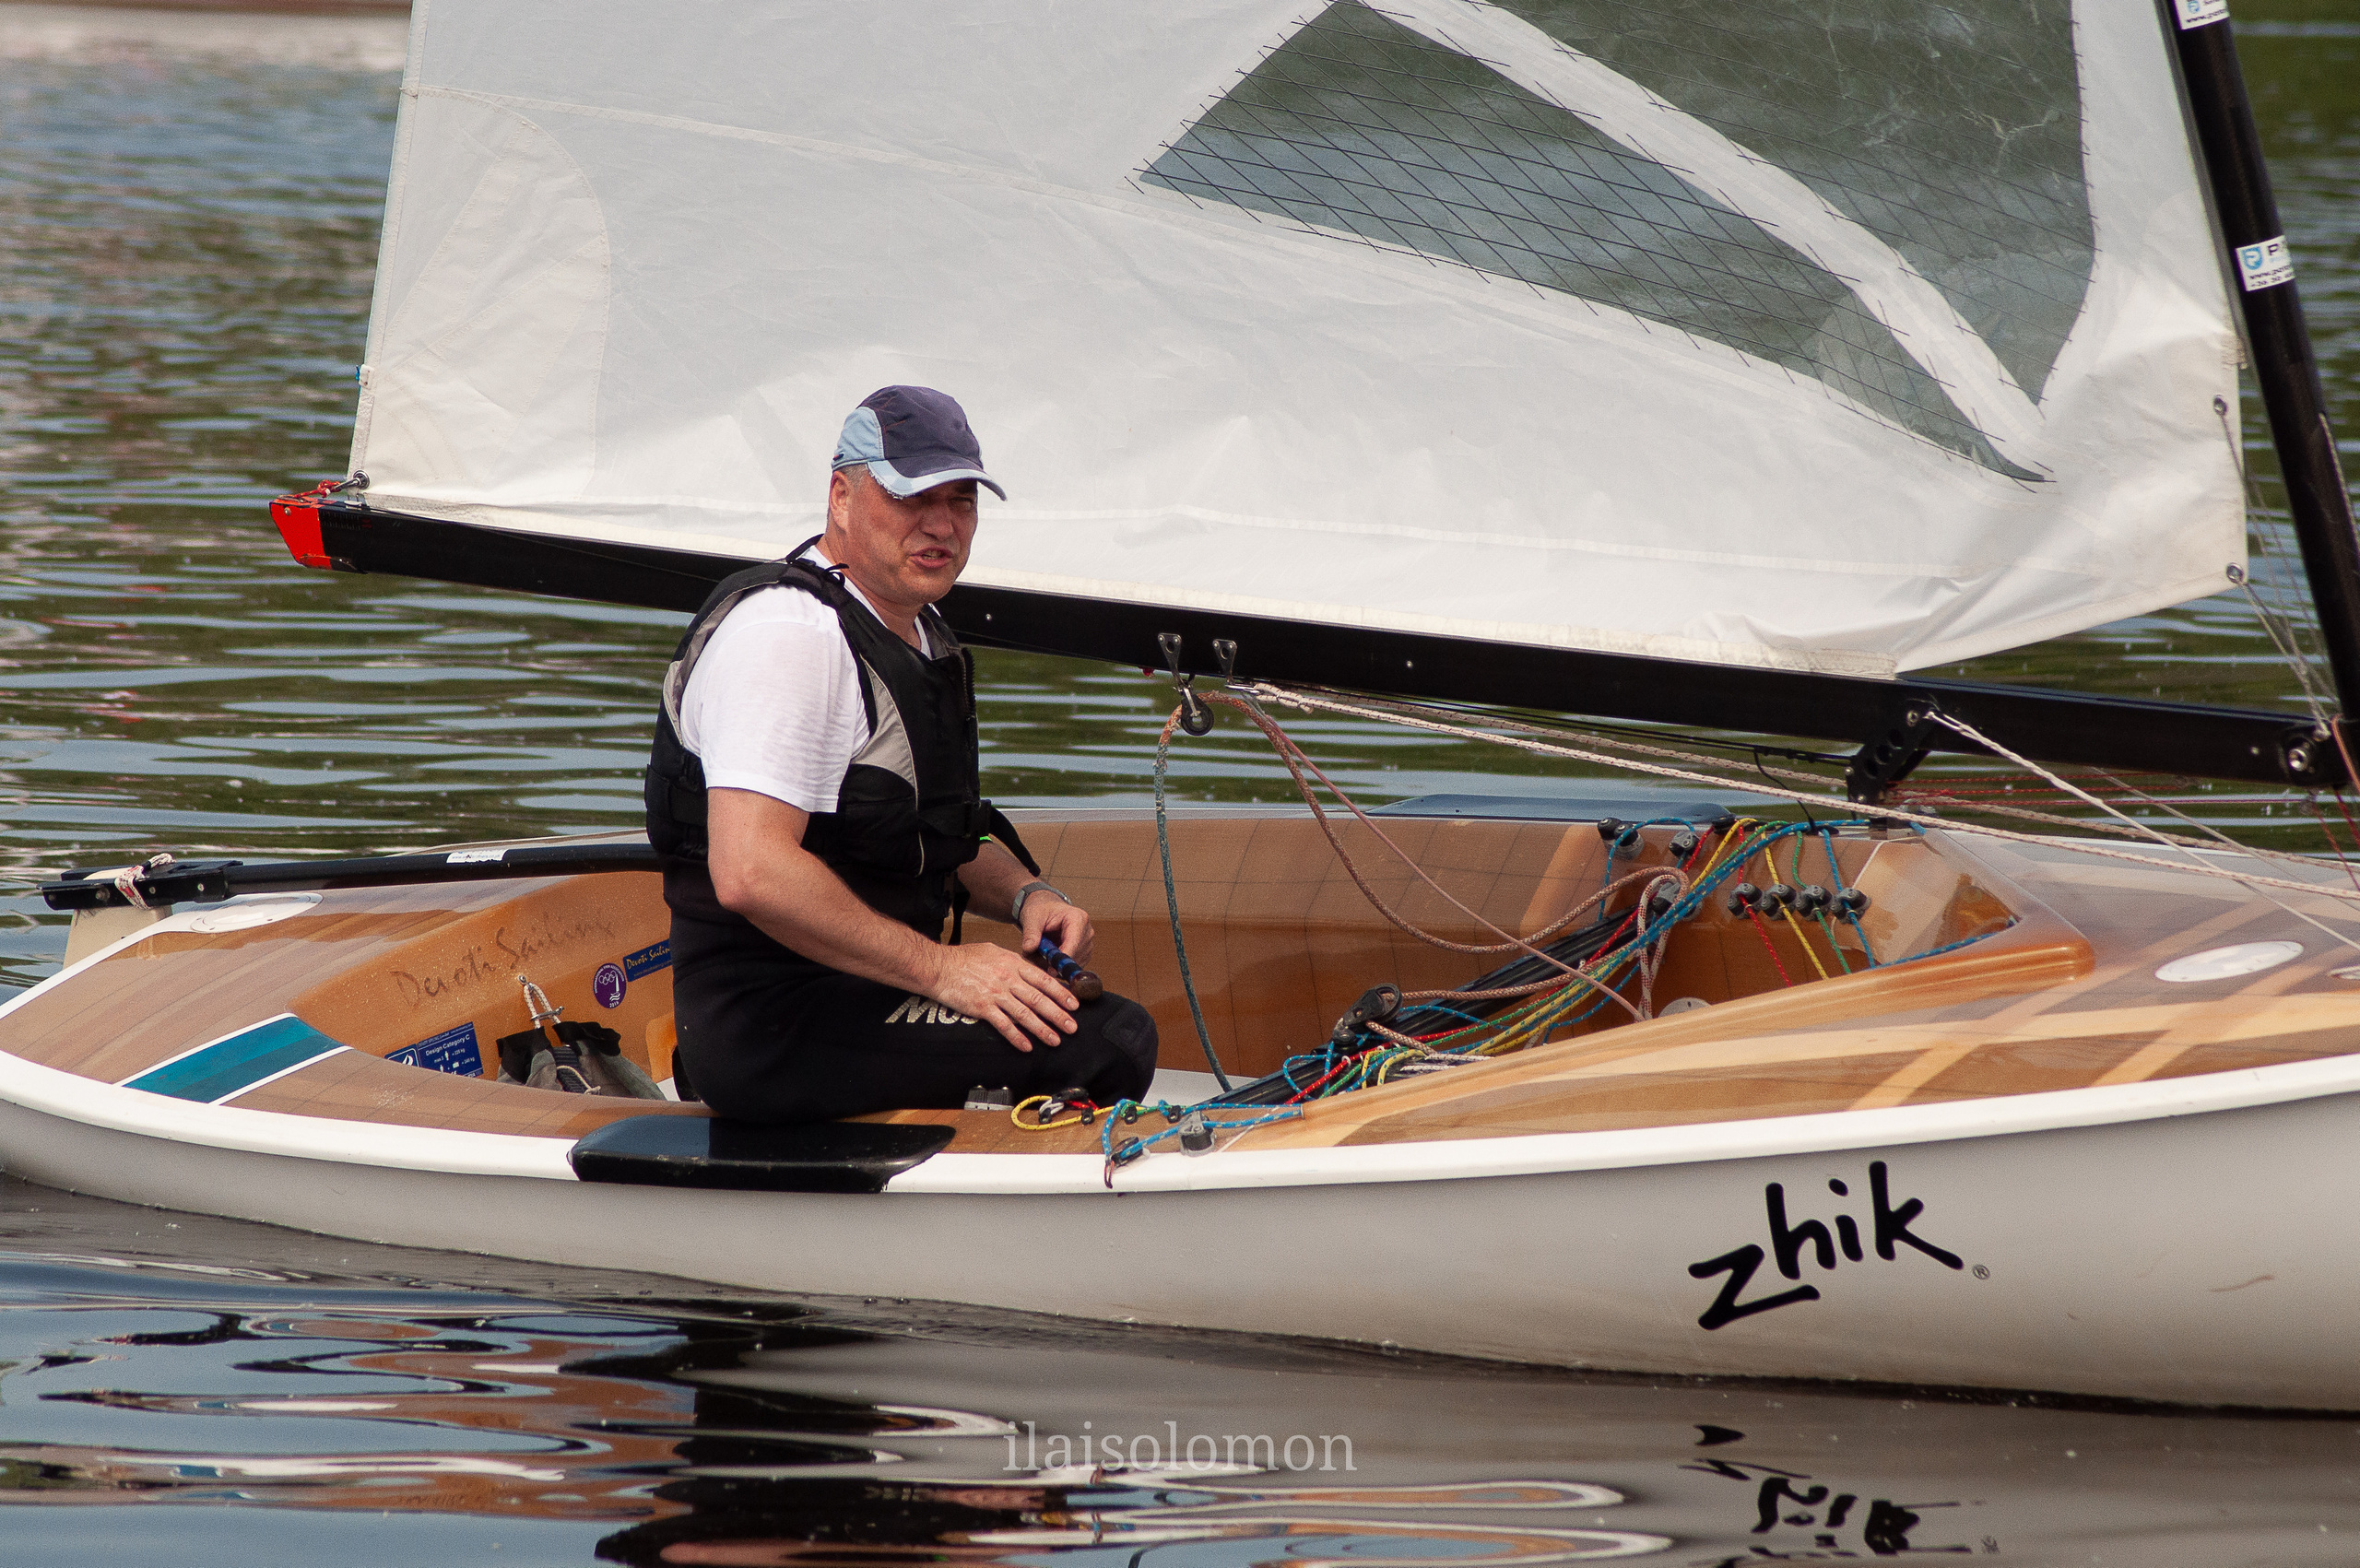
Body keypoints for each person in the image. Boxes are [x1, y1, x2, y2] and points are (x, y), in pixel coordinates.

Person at [643, 385, 1159, 1123]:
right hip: (766, 1025)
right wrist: (946, 971)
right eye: (912, 496)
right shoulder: (788, 639)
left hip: (858, 992)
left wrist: (1028, 895)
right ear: (842, 496)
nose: (942, 524)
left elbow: (932, 828)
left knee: (1086, 1015)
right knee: (1112, 1041)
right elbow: (750, 870)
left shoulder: (916, 632)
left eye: (961, 500)